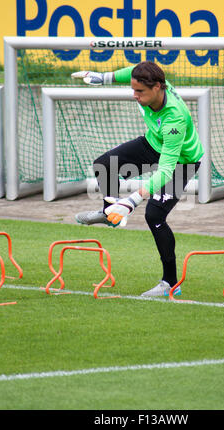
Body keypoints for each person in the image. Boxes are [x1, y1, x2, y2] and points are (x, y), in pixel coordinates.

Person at [72, 61, 204, 297]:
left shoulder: (174, 118)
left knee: (154, 215)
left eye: (140, 92)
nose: (135, 96)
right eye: (133, 90)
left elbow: (165, 171)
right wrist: (104, 78)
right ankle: (110, 213)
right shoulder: (151, 82)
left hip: (182, 160)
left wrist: (131, 201)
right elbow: (134, 70)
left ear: (158, 88)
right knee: (104, 165)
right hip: (154, 142)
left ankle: (170, 283)